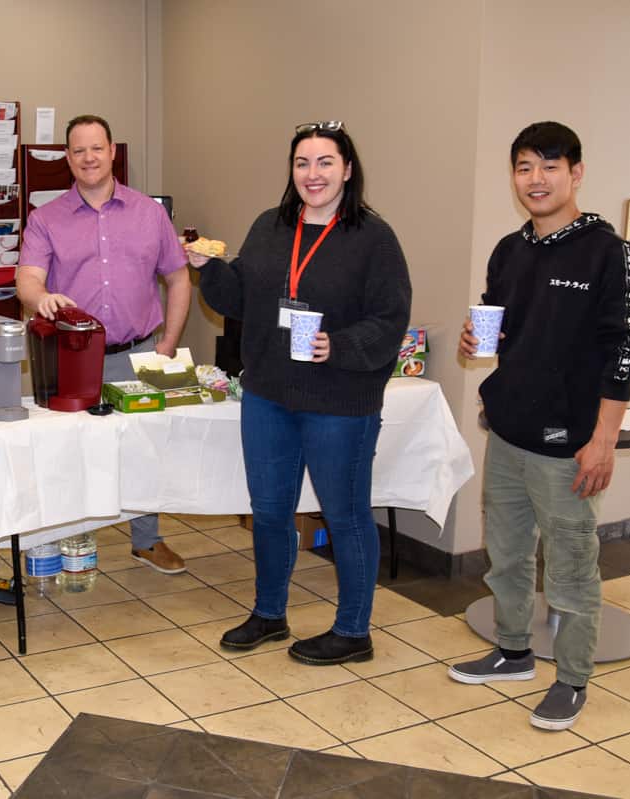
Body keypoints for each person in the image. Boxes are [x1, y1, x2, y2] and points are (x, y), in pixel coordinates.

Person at [449, 122, 630, 731]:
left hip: (570, 443)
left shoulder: (609, 253)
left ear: (577, 173)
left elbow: (626, 349)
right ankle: (513, 652)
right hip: (509, 431)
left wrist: (604, 440)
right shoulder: (511, 250)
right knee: (506, 557)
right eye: (524, 167)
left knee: (569, 566)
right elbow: (505, 329)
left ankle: (571, 679)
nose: (535, 179)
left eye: (549, 166)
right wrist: (476, 342)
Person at [190, 121, 411, 664]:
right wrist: (207, 270)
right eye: (303, 163)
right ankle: (269, 614)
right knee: (268, 511)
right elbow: (241, 297)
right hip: (268, 393)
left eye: (325, 163)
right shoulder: (271, 225)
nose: (313, 174)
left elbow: (390, 317)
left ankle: (353, 630)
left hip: (339, 400)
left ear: (348, 170)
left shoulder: (373, 238)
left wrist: (339, 345)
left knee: (346, 514)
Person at [17, 114, 191, 574]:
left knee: (146, 450)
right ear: (67, 159)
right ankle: (63, 542)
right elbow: (27, 281)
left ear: (113, 151)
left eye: (97, 148)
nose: (89, 158)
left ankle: (147, 541)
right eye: (78, 151)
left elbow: (178, 277)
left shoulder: (149, 214)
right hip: (71, 359)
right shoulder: (45, 218)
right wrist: (42, 298)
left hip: (138, 354)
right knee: (67, 453)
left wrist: (168, 344)